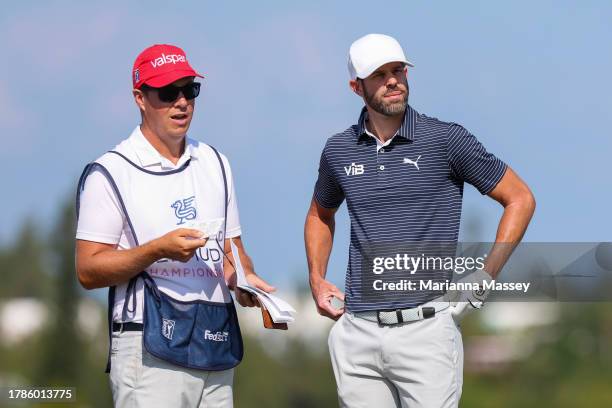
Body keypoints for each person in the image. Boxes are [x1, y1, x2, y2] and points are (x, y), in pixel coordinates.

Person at [304, 34, 536, 407]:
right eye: (379, 74)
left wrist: (485, 276)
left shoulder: (445, 140)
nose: (392, 80)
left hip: (426, 332)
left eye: (398, 70)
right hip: (357, 334)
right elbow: (320, 213)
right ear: (356, 86)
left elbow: (520, 198)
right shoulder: (338, 149)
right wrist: (317, 279)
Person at [75, 44, 273, 407]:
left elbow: (232, 250)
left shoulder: (215, 161)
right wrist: (156, 250)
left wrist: (243, 281)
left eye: (189, 90)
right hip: (149, 348)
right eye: (168, 93)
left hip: (215, 340)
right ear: (140, 97)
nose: (182, 102)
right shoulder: (111, 171)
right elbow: (88, 269)